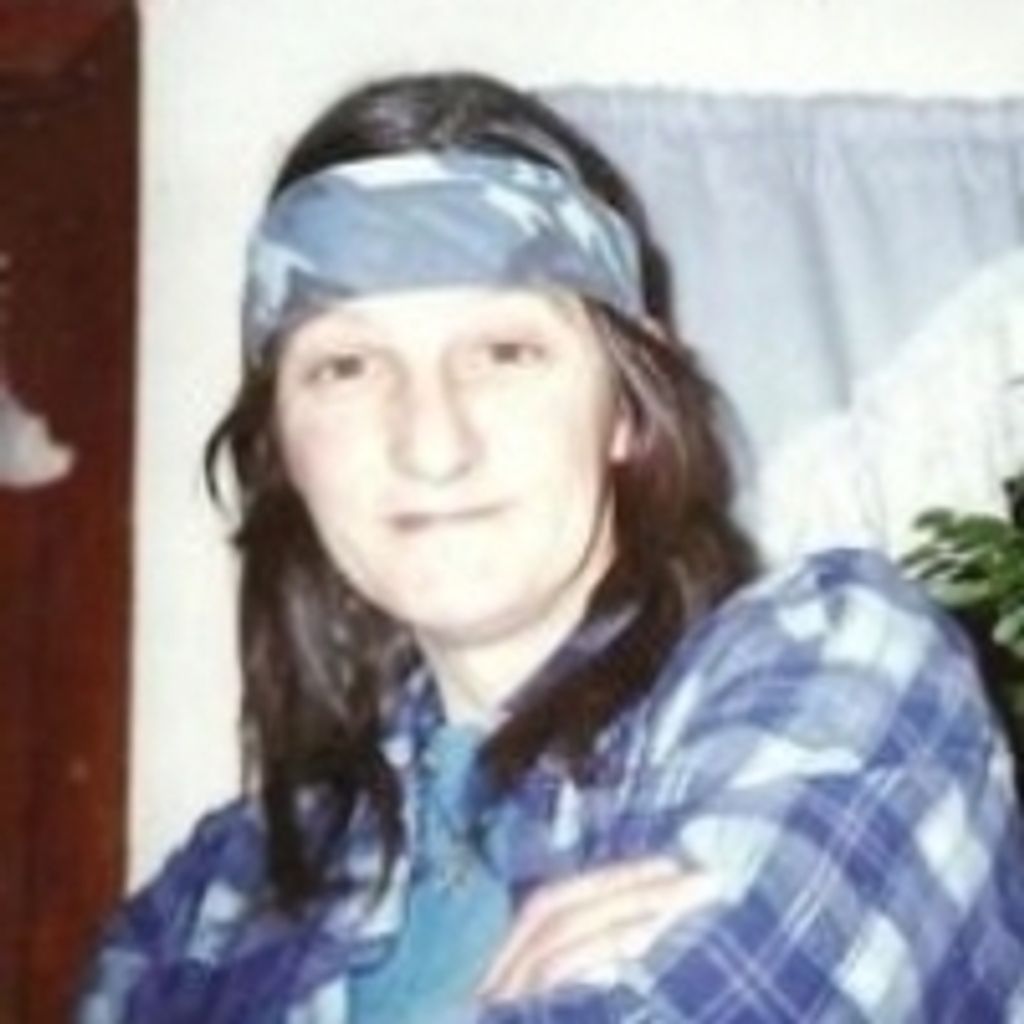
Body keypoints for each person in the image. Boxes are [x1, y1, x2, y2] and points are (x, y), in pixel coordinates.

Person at [77, 72, 1024, 1023]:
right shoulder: (208, 907)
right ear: (283, 441)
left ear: (627, 408)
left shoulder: (842, 677)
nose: (432, 444)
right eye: (347, 366)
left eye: (505, 352)